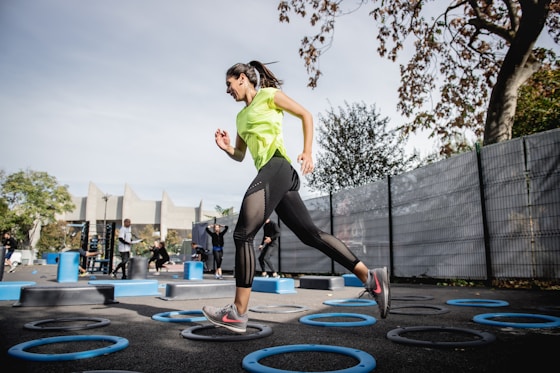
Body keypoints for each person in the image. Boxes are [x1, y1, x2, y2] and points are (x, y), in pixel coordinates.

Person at [202, 61, 390, 333]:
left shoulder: (268, 96)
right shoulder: (240, 118)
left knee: (243, 234)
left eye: (229, 84)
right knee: (310, 235)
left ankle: (238, 313)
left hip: (277, 166)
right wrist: (227, 147)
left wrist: (307, 151)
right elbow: (242, 155)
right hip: (274, 176)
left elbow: (305, 115)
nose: (228, 90)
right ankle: (371, 277)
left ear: (242, 78)